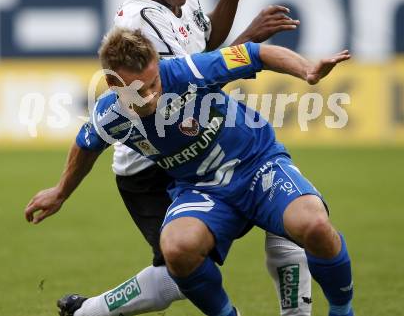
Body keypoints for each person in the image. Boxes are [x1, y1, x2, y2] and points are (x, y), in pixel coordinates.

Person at [25, 0, 311, 316]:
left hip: (190, 145)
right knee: (184, 269)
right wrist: (250, 37)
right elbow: (184, 89)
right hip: (150, 165)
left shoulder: (183, 0)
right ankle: (88, 312)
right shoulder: (137, 23)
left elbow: (206, 44)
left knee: (286, 213)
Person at [28, 27, 354, 316]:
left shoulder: (187, 71)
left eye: (154, 82)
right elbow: (86, 146)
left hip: (257, 164)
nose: (151, 95)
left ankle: (342, 310)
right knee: (176, 249)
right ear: (114, 83)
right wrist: (61, 191)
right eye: (139, 90)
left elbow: (256, 53)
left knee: (312, 224)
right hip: (201, 189)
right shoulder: (110, 114)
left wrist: (307, 70)